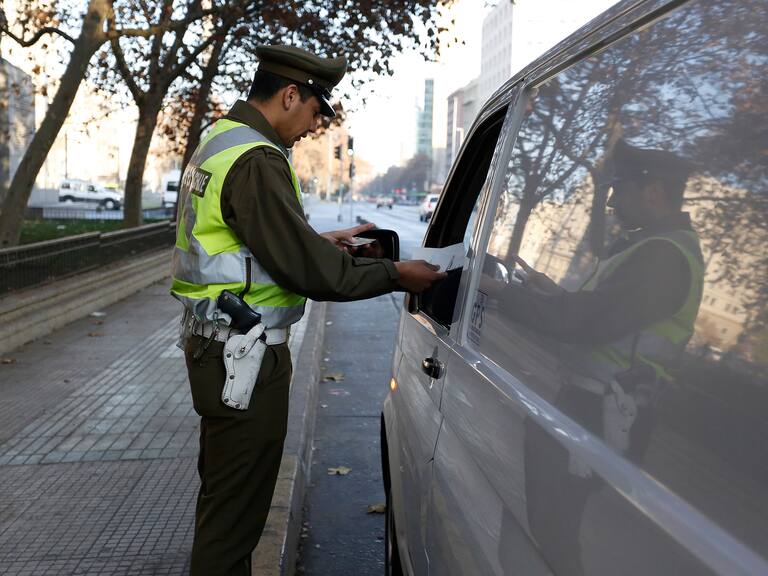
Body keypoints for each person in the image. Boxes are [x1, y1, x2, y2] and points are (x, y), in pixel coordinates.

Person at [169, 44, 445, 576]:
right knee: (234, 520)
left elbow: (250, 244)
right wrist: (395, 274)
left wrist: (319, 239)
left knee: (225, 497)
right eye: (316, 111)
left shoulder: (221, 141)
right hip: (241, 357)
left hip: (217, 345)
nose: (315, 125)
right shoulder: (256, 158)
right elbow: (311, 273)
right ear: (289, 94)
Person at [501, 139, 704, 576]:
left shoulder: (663, 257)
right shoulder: (653, 246)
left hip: (603, 416)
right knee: (553, 529)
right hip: (597, 411)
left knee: (554, 536)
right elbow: (610, 317)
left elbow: (587, 324)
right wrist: (555, 294)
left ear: (652, 191)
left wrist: (502, 295)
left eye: (619, 189)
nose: (610, 201)